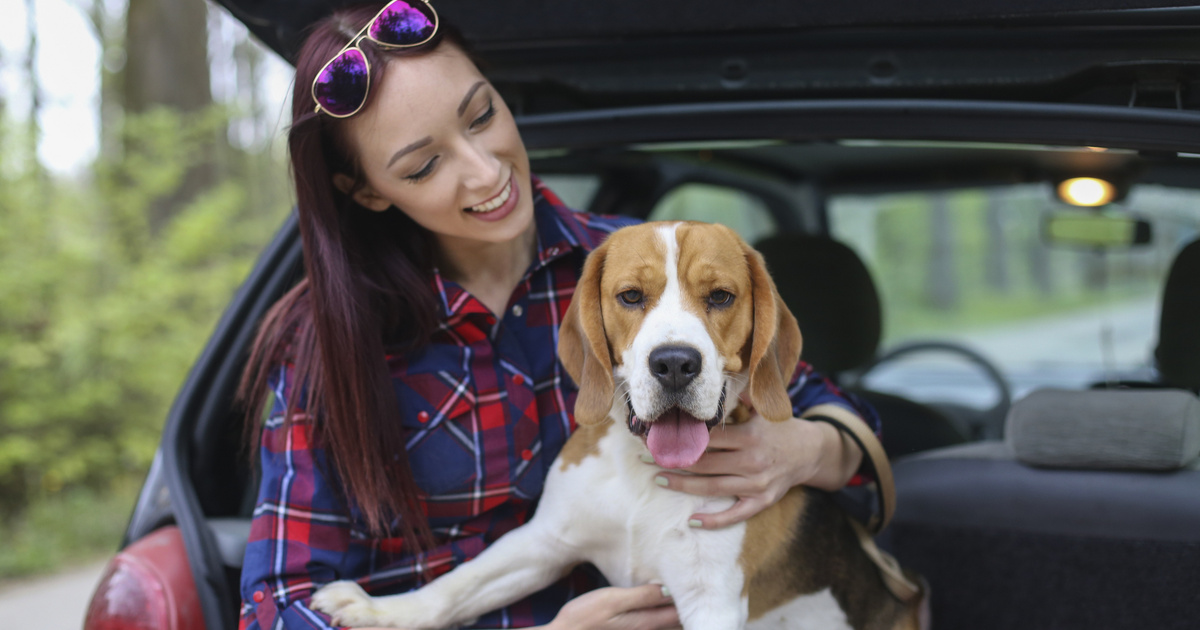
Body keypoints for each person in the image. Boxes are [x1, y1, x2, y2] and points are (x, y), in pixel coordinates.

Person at [236, 2, 881, 629]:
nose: (485, 171)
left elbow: (833, 413)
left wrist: (805, 448)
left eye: (482, 115)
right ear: (368, 190)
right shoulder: (325, 347)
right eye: (426, 164)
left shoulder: (643, 260)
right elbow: (277, 608)